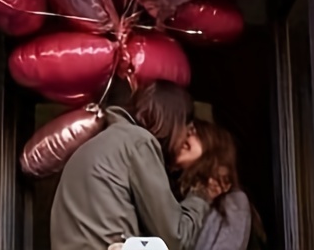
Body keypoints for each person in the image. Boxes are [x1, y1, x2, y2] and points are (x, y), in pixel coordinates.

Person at [50, 81, 217, 250]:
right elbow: (175, 237)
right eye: (187, 132)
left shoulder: (99, 144)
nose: (183, 141)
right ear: (174, 123)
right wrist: (201, 195)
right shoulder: (138, 142)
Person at [176, 120, 267, 250]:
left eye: (193, 132)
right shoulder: (179, 192)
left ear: (211, 144)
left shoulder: (233, 200)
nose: (183, 138)